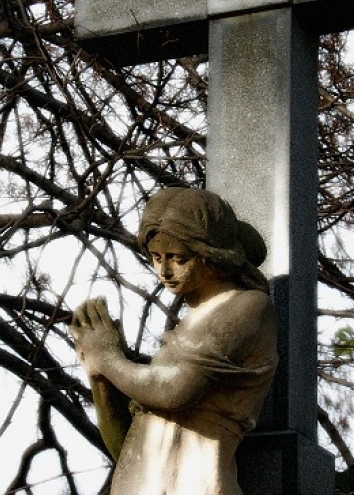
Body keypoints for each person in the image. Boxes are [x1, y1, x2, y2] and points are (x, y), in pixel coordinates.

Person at [70, 187, 278, 495]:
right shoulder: (185, 328)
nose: (164, 271)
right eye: (156, 258)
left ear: (211, 254)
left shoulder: (249, 307)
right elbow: (129, 451)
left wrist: (109, 359)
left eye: (178, 258)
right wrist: (99, 376)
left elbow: (175, 392)